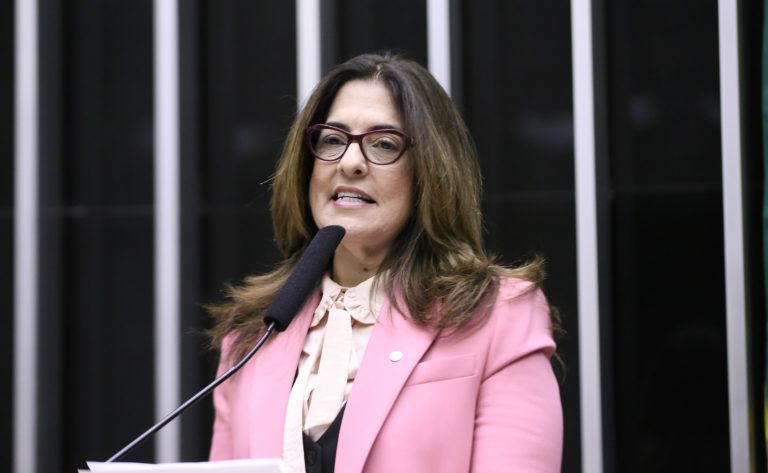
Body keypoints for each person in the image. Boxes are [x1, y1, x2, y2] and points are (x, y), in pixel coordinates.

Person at [207, 52, 563, 473]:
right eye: (332, 140)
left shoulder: (499, 314)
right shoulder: (252, 332)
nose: (350, 162)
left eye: (384, 144)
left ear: (429, 172)